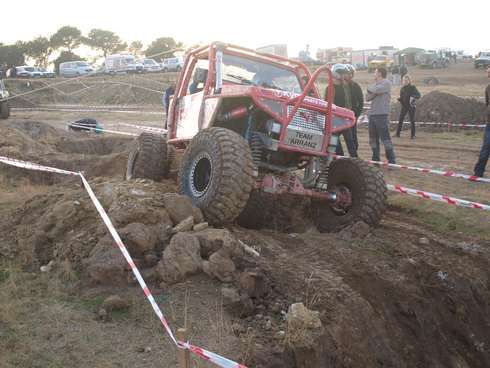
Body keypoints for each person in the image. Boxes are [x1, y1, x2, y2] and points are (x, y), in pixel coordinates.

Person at [325, 64, 357, 158]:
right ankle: (339, 161)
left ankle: (355, 161)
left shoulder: (345, 87)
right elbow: (328, 104)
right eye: (343, 74)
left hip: (345, 119)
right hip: (334, 120)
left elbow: (348, 103)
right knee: (335, 144)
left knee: (351, 143)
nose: (345, 76)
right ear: (336, 74)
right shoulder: (330, 88)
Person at [366, 67, 396, 163]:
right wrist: (374, 91)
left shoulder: (386, 83)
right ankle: (375, 159)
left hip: (382, 114)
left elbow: (373, 90)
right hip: (373, 114)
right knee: (373, 139)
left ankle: (391, 160)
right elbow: (367, 97)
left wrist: (372, 90)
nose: (373, 74)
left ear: (379, 73)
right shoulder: (375, 85)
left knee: (385, 139)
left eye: (375, 72)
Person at [473, 66, 490, 177]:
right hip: (489, 123)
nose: (488, 74)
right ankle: (478, 172)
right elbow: (487, 103)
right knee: (486, 147)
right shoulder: (488, 88)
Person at [344, 64, 363, 150]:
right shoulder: (339, 86)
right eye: (348, 73)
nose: (350, 75)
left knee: (352, 134)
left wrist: (357, 114)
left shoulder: (355, 86)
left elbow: (361, 101)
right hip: (340, 114)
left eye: (351, 73)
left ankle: (354, 153)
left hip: (352, 114)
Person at [396, 75, 421, 139]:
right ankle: (397, 134)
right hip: (404, 106)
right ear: (402, 81)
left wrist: (413, 97)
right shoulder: (402, 89)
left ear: (409, 81)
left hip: (411, 106)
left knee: (412, 121)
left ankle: (413, 135)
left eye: (406, 80)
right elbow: (402, 98)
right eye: (404, 80)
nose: (405, 81)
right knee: (400, 119)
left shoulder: (412, 87)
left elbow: (419, 95)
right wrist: (400, 99)